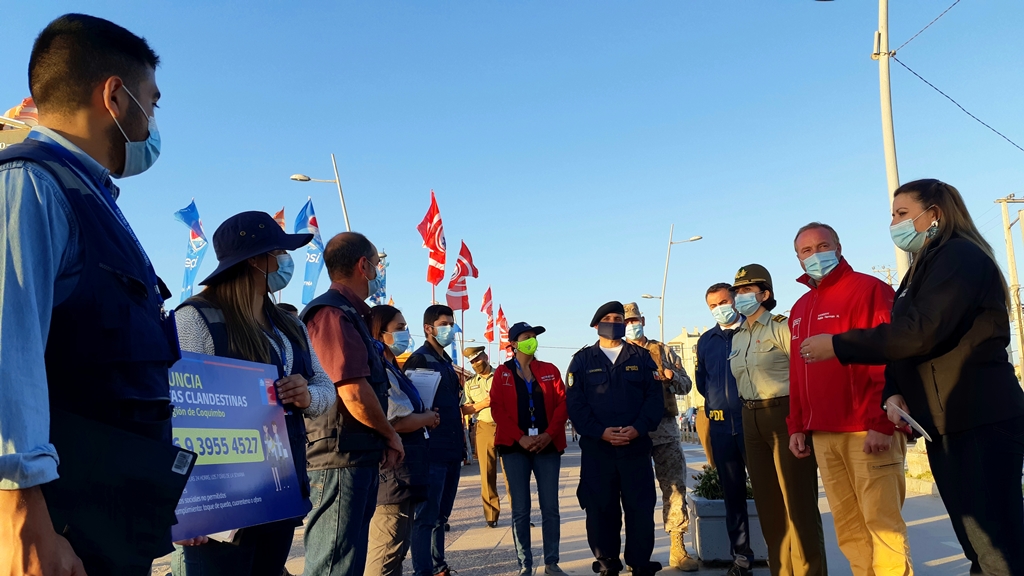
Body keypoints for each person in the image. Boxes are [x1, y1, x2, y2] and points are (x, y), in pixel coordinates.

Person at [0, 14, 186, 575]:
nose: (153, 120)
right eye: (151, 102)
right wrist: (22, 520)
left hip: (104, 520)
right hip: (58, 528)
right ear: (114, 95)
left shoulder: (92, 199)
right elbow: (8, 349)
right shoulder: (29, 184)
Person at [801, 179, 1024, 575]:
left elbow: (920, 332)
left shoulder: (959, 257)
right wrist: (895, 391)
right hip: (945, 423)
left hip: (980, 417)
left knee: (997, 546)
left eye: (902, 213)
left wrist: (837, 346)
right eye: (893, 214)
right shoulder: (923, 267)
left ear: (934, 214)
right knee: (976, 545)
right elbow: (906, 345)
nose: (894, 223)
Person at [170, 211, 334, 575]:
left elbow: (326, 389)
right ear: (254, 261)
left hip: (278, 490)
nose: (283, 262)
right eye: (278, 253)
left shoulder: (289, 325)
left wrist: (308, 395)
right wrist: (183, 506)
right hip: (222, 503)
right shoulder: (196, 318)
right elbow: (177, 411)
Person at [786, 223, 911, 576]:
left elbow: (891, 357)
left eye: (822, 246)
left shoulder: (869, 290)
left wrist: (882, 422)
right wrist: (797, 424)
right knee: (850, 531)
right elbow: (798, 372)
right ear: (797, 258)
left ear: (839, 246)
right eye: (805, 251)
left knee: (883, 528)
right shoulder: (800, 308)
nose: (814, 255)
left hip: (866, 430)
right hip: (823, 433)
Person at [301, 232, 405, 576]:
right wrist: (390, 434)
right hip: (338, 460)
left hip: (355, 455)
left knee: (349, 563)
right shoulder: (332, 314)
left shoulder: (352, 315)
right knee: (334, 566)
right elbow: (352, 392)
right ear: (364, 265)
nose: (378, 270)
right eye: (377, 263)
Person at [729, 264, 826, 576]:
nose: (739, 296)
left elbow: (803, 373)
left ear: (764, 294)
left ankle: (811, 571)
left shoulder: (782, 327)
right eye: (737, 291)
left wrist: (801, 421)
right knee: (769, 507)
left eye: (746, 290)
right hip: (750, 417)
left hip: (783, 415)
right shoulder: (737, 337)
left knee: (799, 505)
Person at [566, 301, 664, 576]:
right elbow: (575, 404)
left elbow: (654, 400)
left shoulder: (642, 358)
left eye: (618, 317)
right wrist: (600, 432)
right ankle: (607, 561)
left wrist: (638, 428)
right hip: (599, 450)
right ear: (597, 325)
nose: (614, 321)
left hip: (635, 447)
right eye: (608, 318)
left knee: (640, 508)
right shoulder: (582, 361)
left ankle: (640, 561)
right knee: (600, 509)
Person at [622, 302, 699, 572]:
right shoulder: (619, 353)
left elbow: (687, 384)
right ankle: (638, 553)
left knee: (675, 489)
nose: (632, 325)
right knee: (635, 495)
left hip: (664, 430)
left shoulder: (663, 350)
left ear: (643, 319)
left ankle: (677, 548)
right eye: (626, 321)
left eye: (634, 320)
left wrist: (671, 375)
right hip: (634, 432)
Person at [365, 305, 440, 576]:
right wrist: (427, 418)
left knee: (397, 550)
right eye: (399, 329)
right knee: (386, 550)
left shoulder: (390, 367)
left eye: (405, 327)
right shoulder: (380, 370)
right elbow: (396, 420)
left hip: (406, 470)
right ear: (379, 332)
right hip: (392, 473)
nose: (405, 334)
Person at [491, 322, 568, 576]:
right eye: (526, 337)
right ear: (513, 343)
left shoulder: (549, 370)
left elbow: (562, 404)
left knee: (550, 506)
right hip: (515, 448)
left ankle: (551, 562)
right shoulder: (502, 373)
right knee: (521, 509)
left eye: (534, 337)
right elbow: (497, 409)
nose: (532, 341)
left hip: (547, 445)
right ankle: (524, 564)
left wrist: (548, 434)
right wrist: (520, 437)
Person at [696, 283, 755, 576]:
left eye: (723, 301)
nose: (719, 308)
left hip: (753, 424)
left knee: (770, 493)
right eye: (712, 305)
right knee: (733, 497)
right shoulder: (706, 341)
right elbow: (702, 382)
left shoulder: (753, 330)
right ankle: (741, 558)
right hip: (721, 428)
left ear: (735, 300)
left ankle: (786, 553)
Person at [405, 304, 466, 576]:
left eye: (451, 323)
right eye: (444, 324)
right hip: (431, 450)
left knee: (442, 516)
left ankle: (439, 566)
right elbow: (410, 407)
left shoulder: (445, 363)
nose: (449, 329)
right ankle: (424, 571)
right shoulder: (420, 360)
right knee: (426, 518)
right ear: (428, 328)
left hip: (452, 448)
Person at [461, 346, 502, 527]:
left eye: (478, 359)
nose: (476, 364)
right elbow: (464, 408)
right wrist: (482, 404)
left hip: (505, 426)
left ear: (485, 356)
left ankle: (520, 514)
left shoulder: (501, 375)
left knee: (513, 473)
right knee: (487, 473)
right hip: (484, 427)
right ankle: (491, 515)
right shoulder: (470, 383)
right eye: (472, 362)